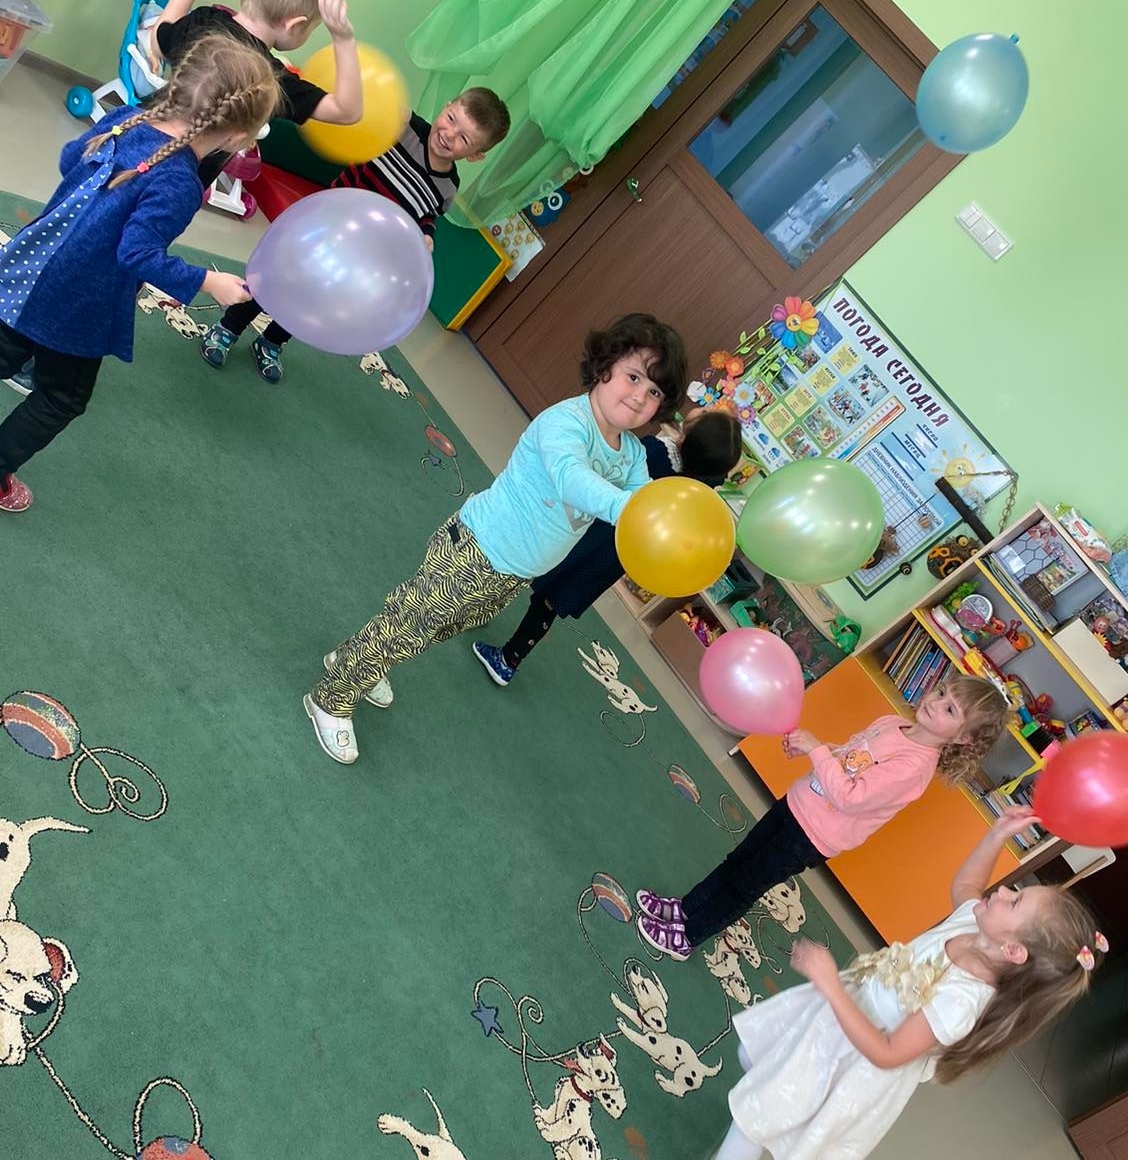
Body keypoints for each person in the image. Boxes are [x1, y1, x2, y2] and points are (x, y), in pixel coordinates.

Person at [650, 809, 1107, 1160]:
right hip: (847, 1014)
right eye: (1016, 890)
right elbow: (966, 888)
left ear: (1013, 950)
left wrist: (830, 984)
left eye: (1015, 903)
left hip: (857, 1054)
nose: (1004, 891)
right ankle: (776, 1105)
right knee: (760, 1061)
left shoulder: (962, 1001)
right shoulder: (975, 926)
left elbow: (888, 1053)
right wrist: (995, 836)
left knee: (760, 1113)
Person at [303, 314, 688, 764]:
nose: (640, 395)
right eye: (634, 377)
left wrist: (665, 523)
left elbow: (646, 498)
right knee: (410, 624)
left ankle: (357, 657)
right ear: (605, 366)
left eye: (654, 391)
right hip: (476, 548)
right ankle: (331, 697)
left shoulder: (633, 455)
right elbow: (572, 479)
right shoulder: (567, 422)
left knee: (430, 626)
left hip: (513, 572)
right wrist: (628, 510)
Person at [0, 36, 279, 514]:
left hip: (31, 261)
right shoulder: (179, 182)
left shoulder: (127, 118)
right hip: (78, 301)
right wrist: (208, 282)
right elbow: (137, 255)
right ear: (237, 137)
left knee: (7, 347)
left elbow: (69, 159)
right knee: (62, 399)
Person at [635, 671, 1010, 960]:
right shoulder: (892, 723)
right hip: (797, 804)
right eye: (941, 692)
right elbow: (848, 756)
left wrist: (817, 752)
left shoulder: (914, 768)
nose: (936, 702)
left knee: (745, 884)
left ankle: (688, 936)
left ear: (963, 739)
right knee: (738, 860)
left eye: (950, 710)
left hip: (813, 836)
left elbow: (851, 797)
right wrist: (815, 750)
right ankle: (684, 909)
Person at [149, 0, 362, 384]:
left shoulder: (206, 21)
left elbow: (158, 41)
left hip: (135, 144)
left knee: (102, 230)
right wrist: (343, 38)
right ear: (295, 25)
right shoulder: (272, 79)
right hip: (178, 185)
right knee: (138, 249)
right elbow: (348, 110)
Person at [202, 85, 511, 383]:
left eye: (464, 139)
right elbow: (364, 120)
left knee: (313, 296)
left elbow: (426, 213)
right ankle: (230, 327)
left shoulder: (448, 188)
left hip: (361, 253)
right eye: (451, 119)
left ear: (475, 155)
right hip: (325, 223)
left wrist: (427, 233)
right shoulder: (403, 128)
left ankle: (271, 342)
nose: (448, 134)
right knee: (278, 278)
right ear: (446, 107)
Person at [472, 405, 742, 685]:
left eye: (706, 413)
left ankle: (490, 628)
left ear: (687, 437)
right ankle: (509, 657)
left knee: (528, 567)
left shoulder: (654, 454)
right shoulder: (701, 486)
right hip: (614, 554)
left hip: (588, 532)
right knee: (551, 600)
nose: (705, 408)